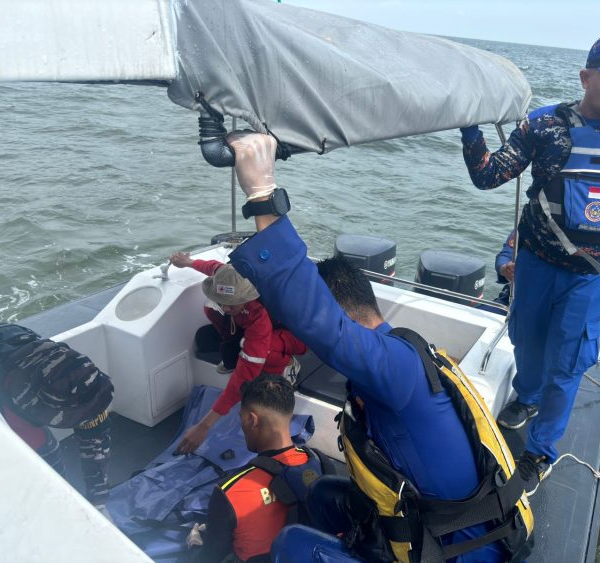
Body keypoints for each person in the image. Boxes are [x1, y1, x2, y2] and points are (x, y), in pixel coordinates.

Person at [218, 132, 533, 562]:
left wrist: (262, 194)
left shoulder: (395, 369)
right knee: (327, 495)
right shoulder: (404, 353)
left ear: (343, 312)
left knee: (291, 545)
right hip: (443, 520)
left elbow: (320, 323)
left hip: (458, 552)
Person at [459, 30, 600, 490]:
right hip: (535, 262)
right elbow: (487, 176)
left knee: (568, 363)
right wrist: (468, 123)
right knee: (526, 344)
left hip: (591, 277)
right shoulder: (544, 126)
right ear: (586, 76)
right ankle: (528, 395)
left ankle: (540, 452)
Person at [171, 257, 307, 454]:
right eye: (224, 302)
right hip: (249, 326)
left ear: (246, 298)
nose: (226, 308)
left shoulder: (259, 316)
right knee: (210, 307)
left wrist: (204, 426)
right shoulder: (231, 278)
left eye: (231, 304)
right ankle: (243, 350)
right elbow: (213, 267)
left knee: (263, 353)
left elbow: (245, 377)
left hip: (292, 336)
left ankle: (285, 367)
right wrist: (188, 262)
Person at [186, 374, 324, 563]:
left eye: (240, 417)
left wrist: (194, 548)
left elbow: (210, 558)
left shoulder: (229, 492)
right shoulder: (321, 463)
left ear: (252, 420)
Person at [0, 323, 114, 510]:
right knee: (45, 456)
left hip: (6, 348)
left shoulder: (82, 378)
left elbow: (96, 438)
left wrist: (99, 501)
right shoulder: (13, 400)